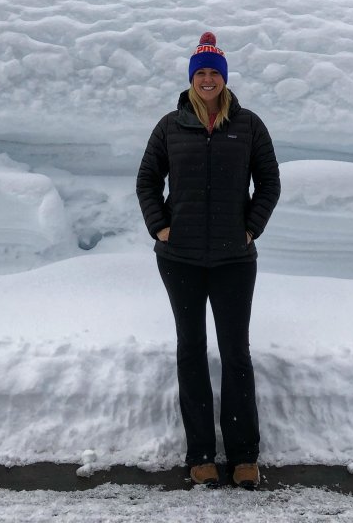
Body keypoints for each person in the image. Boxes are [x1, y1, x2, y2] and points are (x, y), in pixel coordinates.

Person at [136, 32, 281, 489]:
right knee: (192, 352)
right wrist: (160, 226)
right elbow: (146, 181)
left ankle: (243, 455)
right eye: (200, 72)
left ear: (224, 79)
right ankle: (200, 453)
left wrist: (250, 227)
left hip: (234, 260)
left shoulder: (249, 125)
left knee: (236, 353)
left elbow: (270, 184)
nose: (206, 79)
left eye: (213, 72)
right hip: (179, 260)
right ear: (191, 78)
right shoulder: (171, 126)